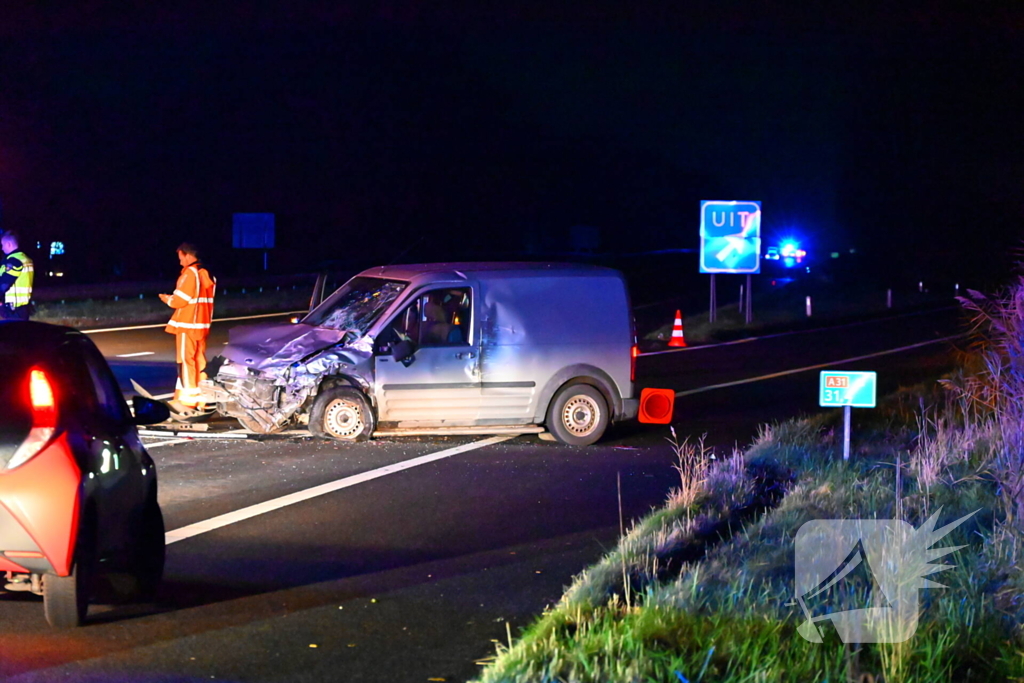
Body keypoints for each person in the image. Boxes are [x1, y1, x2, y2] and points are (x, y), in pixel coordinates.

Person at [159, 243, 216, 408]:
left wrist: (167, 299)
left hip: (187, 325)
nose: (180, 262)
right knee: (200, 361)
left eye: (181, 258)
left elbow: (179, 300)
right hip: (202, 325)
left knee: (186, 362)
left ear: (188, 255)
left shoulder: (189, 274)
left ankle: (188, 401)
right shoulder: (207, 274)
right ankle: (201, 399)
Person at [0, 230, 34, 321]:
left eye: (2, 245)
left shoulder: (13, 261)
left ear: (9, 244)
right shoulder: (25, 258)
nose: (2, 248)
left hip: (13, 309)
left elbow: (4, 284)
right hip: (22, 307)